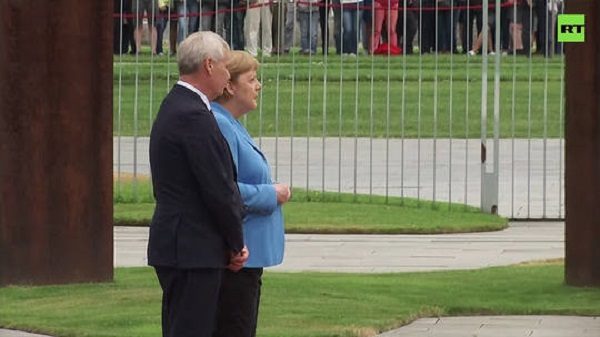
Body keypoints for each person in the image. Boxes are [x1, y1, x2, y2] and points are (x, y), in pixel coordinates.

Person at [147, 31, 249, 337]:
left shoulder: (176, 105)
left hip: (181, 243)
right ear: (208, 65)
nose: (228, 74)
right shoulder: (193, 115)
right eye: (225, 66)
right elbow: (217, 187)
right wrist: (235, 241)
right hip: (192, 248)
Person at [211, 50, 291, 337]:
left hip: (248, 255)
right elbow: (224, 189)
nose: (258, 86)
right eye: (252, 79)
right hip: (237, 255)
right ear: (230, 86)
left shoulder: (233, 123)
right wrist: (272, 194)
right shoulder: (220, 124)